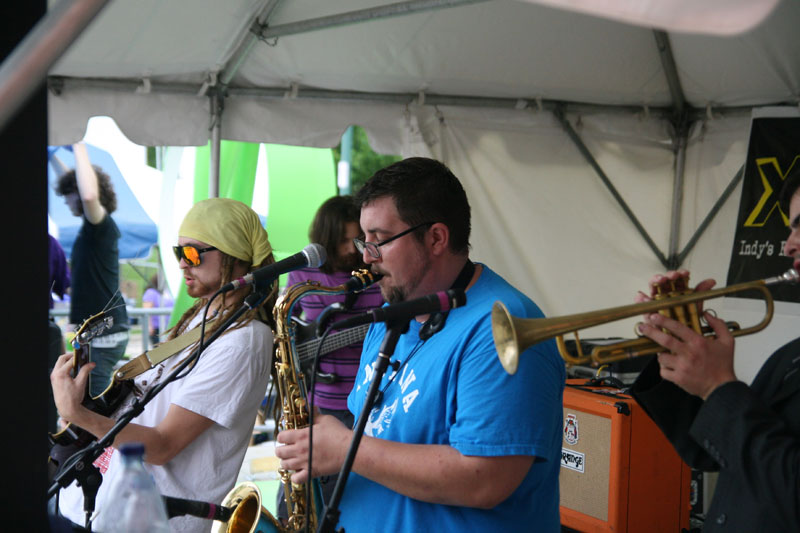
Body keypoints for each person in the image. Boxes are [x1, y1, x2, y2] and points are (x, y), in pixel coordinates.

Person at [275, 157, 566, 532]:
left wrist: (346, 449)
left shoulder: (503, 325)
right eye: (365, 241)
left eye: (379, 241)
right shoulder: (391, 313)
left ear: (436, 238)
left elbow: (485, 479)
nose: (365, 257)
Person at [51, 198, 278, 532]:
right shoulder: (203, 317)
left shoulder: (244, 339)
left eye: (193, 253)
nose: (183, 264)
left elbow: (162, 446)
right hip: (108, 508)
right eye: (178, 253)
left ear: (233, 253)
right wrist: (84, 403)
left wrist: (80, 414)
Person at [630, 167, 800, 531]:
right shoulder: (791, 355)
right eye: (790, 229)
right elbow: (708, 452)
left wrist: (718, 388)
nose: (788, 245)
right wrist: (674, 345)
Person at [276, 195, 384, 520]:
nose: (351, 250)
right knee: (302, 495)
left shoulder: (378, 276)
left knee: (350, 493)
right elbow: (285, 328)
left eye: (356, 240)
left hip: (367, 400)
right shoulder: (301, 278)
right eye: (340, 241)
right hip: (319, 399)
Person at [55, 142, 129, 398]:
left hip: (103, 336)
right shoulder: (92, 232)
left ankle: (112, 440)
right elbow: (76, 187)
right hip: (96, 334)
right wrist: (54, 158)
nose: (65, 201)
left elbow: (87, 195)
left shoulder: (100, 226)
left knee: (93, 409)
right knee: (88, 405)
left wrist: (78, 145)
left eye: (68, 194)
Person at [142, 273, 173, 348]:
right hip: (156, 328)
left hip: (169, 326)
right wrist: (149, 326)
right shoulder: (151, 292)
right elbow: (147, 310)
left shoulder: (167, 292)